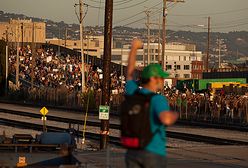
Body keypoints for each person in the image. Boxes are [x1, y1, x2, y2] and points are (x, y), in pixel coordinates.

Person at [125, 39, 178, 168]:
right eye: (161, 77)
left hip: (133, 152)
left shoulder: (133, 92)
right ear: (154, 79)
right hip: (153, 152)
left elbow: (129, 73)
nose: (163, 80)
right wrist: (175, 115)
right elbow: (165, 119)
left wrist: (134, 49)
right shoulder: (158, 99)